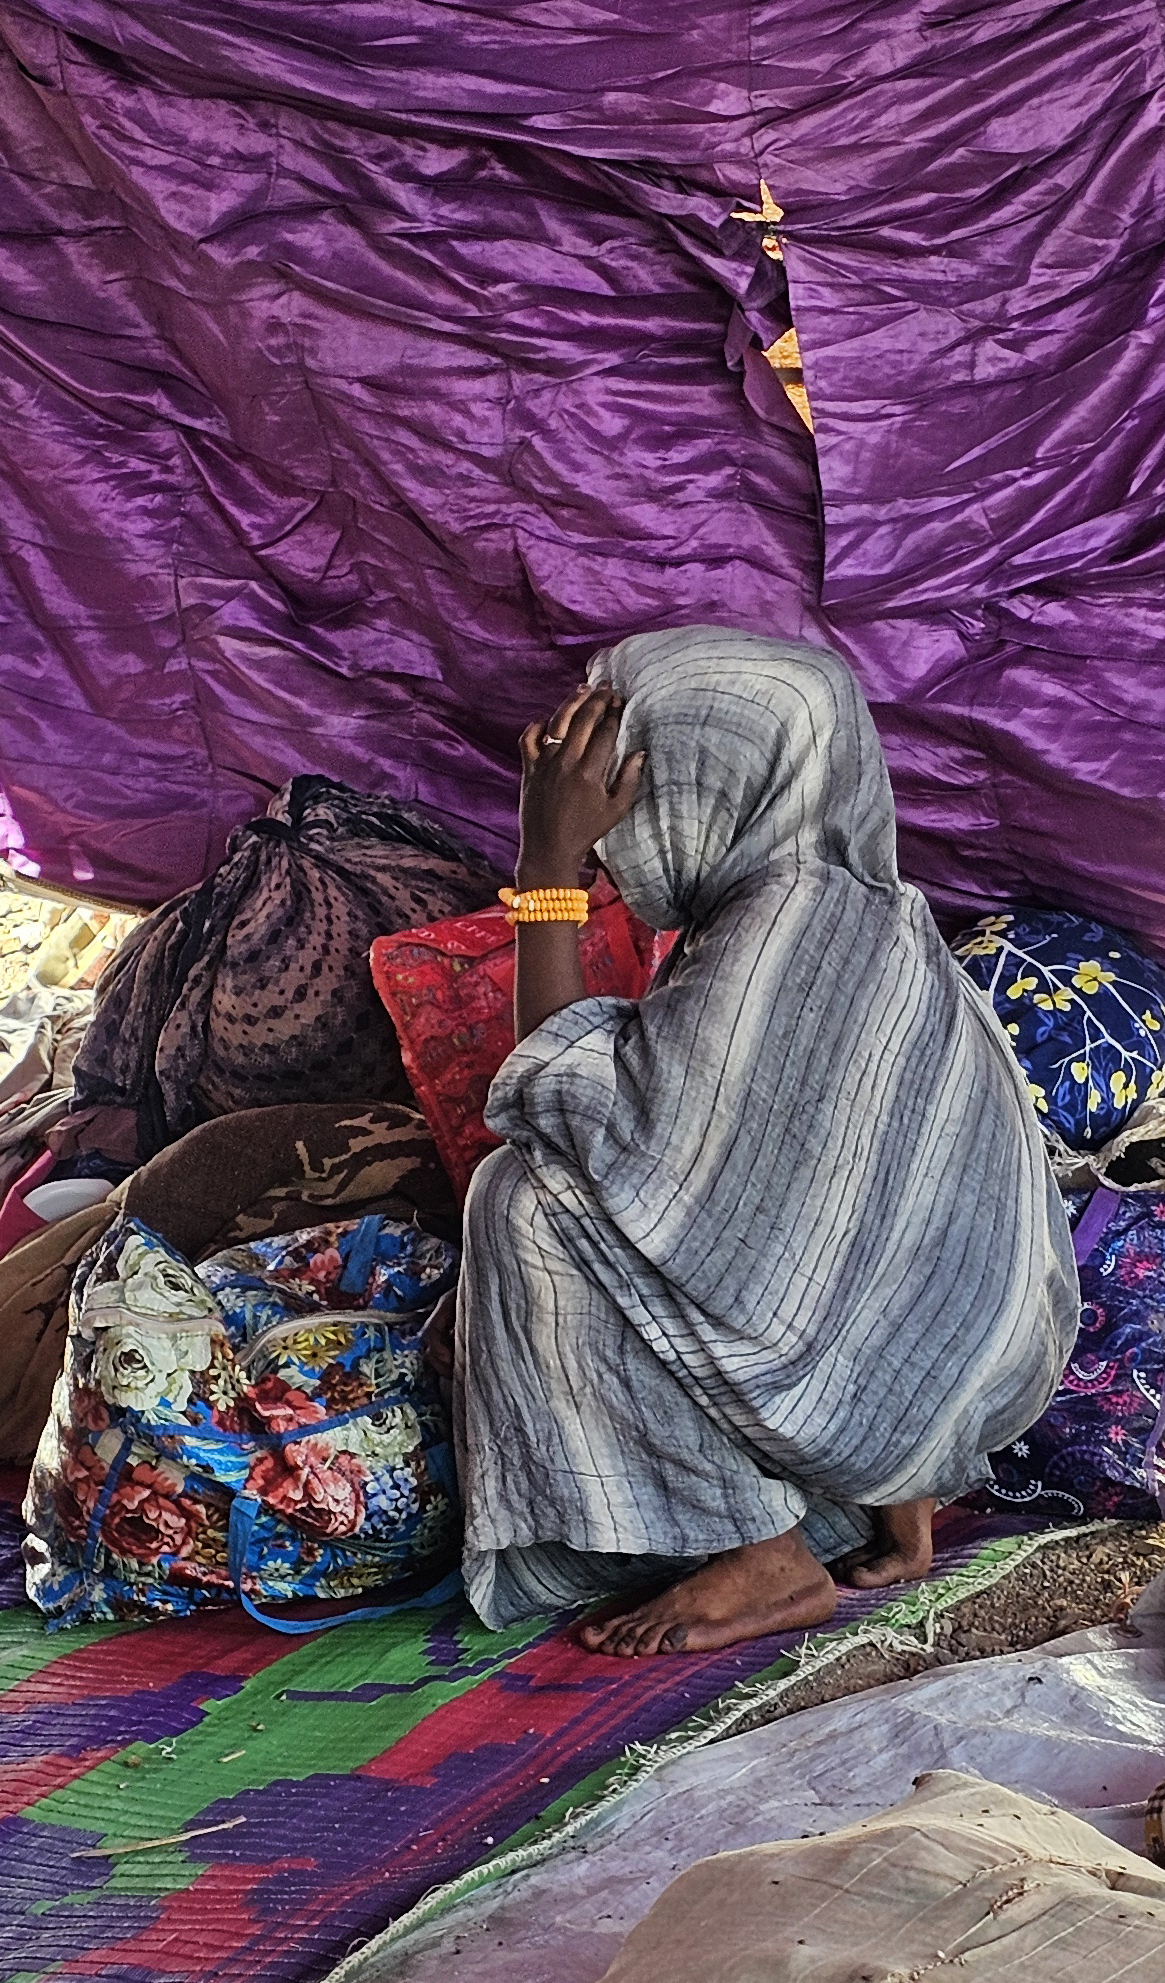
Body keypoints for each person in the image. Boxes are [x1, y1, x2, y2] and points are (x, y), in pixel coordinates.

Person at [453, 627, 1077, 1655]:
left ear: (706, 775)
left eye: (625, 773)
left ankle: (764, 1554)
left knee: (521, 1198)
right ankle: (882, 1496)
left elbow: (556, 1100)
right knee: (676, 1222)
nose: (610, 811)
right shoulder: (868, 907)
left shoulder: (775, 936)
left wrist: (545, 863)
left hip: (888, 1408)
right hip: (937, 1405)